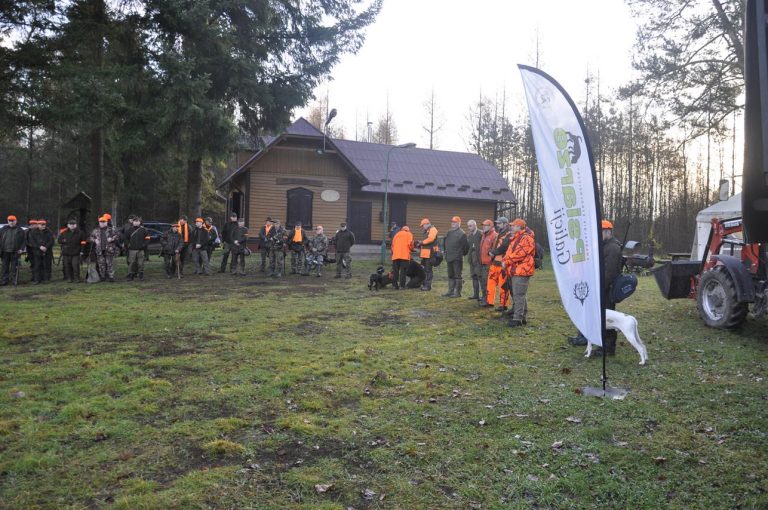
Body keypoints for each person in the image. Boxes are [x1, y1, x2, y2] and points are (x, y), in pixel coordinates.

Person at [569, 220, 623, 356]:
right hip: (599, 288)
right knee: (599, 316)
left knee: (608, 318)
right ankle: (597, 342)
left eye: (601, 232)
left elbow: (609, 273)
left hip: (606, 289)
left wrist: (597, 288)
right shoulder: (603, 246)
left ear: (608, 232)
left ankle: (608, 348)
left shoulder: (613, 248)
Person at [502, 218, 536, 327]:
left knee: (518, 295)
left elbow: (519, 254)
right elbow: (510, 253)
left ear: (519, 227)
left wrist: (506, 262)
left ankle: (517, 319)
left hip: (522, 270)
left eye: (514, 225)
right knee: (520, 294)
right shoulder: (516, 238)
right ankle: (522, 317)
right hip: (516, 270)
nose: (511, 227)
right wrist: (505, 261)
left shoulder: (526, 238)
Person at [485, 217, 512, 310]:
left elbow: (504, 247)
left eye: (500, 223)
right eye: (497, 223)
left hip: (503, 264)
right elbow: (496, 245)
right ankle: (489, 302)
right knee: (490, 283)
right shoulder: (499, 234)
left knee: (503, 285)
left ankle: (503, 305)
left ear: (505, 224)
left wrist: (493, 252)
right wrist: (491, 252)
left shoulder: (509, 234)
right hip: (495, 262)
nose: (498, 225)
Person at [443, 216, 469, 297]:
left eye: (454, 222)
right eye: (452, 222)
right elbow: (445, 243)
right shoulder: (449, 232)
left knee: (458, 275)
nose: (452, 223)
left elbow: (466, 247)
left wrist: (460, 254)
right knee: (450, 275)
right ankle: (450, 291)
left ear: (459, 223)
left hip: (457, 258)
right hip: (449, 257)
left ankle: (457, 293)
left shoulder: (462, 233)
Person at [90, 215, 120, 282]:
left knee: (110, 264)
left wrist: (112, 239)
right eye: (101, 222)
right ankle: (102, 276)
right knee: (101, 264)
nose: (102, 223)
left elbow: (118, 236)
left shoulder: (112, 229)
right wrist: (95, 240)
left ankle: (111, 277)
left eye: (104, 222)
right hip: (99, 250)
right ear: (99, 222)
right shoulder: (95, 230)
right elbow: (91, 237)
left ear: (106, 222)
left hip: (109, 250)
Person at [57, 218, 87, 283]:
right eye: (70, 224)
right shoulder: (63, 232)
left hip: (76, 252)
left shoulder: (80, 233)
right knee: (67, 266)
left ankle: (77, 278)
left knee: (75, 265)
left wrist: (82, 251)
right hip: (66, 252)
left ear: (76, 225)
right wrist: (64, 241)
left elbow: (83, 243)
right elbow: (59, 240)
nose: (72, 225)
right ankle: (69, 278)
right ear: (68, 225)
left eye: (73, 224)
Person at [0, 215, 26, 285]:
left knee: (14, 267)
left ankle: (14, 280)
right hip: (4, 251)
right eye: (10, 221)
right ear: (7, 221)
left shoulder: (20, 230)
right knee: (4, 267)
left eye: (13, 221)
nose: (11, 222)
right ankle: (4, 281)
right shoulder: (3, 229)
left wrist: (21, 249)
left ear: (16, 221)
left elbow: (24, 241)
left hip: (15, 251)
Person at [478, 219, 498, 306]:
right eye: (483, 225)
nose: (483, 227)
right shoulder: (484, 235)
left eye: (485, 225)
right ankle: (484, 298)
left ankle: (489, 301)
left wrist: (491, 260)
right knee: (483, 281)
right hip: (482, 262)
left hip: (489, 263)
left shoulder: (494, 235)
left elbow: (495, 250)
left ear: (490, 226)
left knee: (488, 283)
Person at [124, 216, 150, 281]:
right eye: (135, 221)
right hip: (132, 249)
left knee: (141, 263)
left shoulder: (144, 230)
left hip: (141, 250)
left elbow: (148, 238)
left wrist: (144, 245)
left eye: (137, 221)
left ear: (139, 222)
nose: (136, 222)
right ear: (133, 222)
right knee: (132, 263)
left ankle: (141, 276)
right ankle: (131, 276)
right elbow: (125, 238)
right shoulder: (129, 230)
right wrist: (128, 245)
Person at [27, 220, 53, 284]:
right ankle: (37, 280)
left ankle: (46, 279)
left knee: (46, 265)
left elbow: (51, 241)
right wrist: (39, 247)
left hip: (47, 251)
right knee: (37, 266)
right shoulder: (33, 232)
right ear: (38, 225)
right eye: (41, 224)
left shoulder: (49, 231)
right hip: (36, 252)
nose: (43, 226)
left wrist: (46, 247)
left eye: (44, 224)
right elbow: (32, 242)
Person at [416, 218, 438, 291]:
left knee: (428, 270)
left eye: (423, 226)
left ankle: (428, 286)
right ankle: (425, 284)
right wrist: (420, 244)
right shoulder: (427, 231)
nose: (422, 227)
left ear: (427, 224)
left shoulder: (433, 229)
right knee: (425, 269)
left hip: (430, 253)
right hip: (425, 254)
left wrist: (422, 242)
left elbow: (431, 239)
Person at [391, 225, 414, 290]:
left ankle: (394, 285)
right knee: (403, 271)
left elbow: (392, 246)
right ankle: (401, 286)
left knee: (395, 271)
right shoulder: (409, 234)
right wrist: (412, 249)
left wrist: (395, 253)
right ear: (408, 230)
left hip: (395, 256)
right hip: (404, 256)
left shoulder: (397, 235)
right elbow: (410, 244)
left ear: (401, 229)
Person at [465, 220, 482, 301]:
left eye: (470, 226)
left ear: (475, 225)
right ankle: (475, 295)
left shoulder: (481, 234)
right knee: (474, 276)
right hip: (472, 259)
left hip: (479, 260)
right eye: (468, 226)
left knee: (480, 277)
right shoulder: (470, 235)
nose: (469, 227)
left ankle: (484, 296)